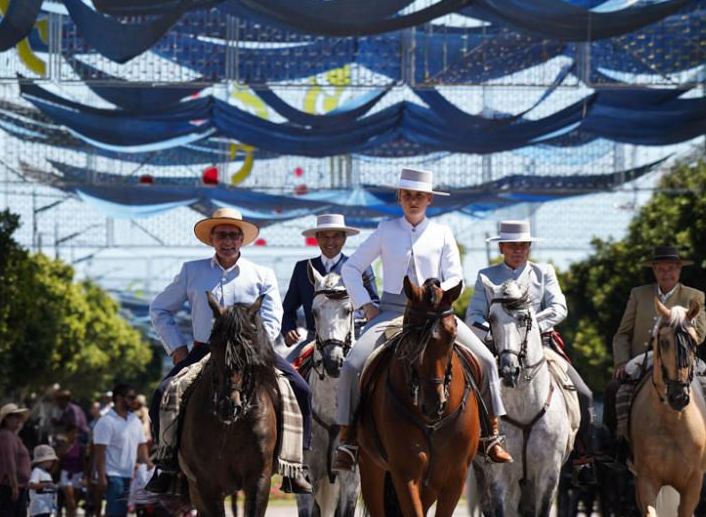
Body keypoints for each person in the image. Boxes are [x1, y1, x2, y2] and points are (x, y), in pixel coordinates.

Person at [332, 168, 513, 471]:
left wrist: (441, 293)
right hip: (392, 312)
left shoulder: (442, 232)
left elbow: (456, 274)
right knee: (351, 365)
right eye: (408, 195)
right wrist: (365, 306)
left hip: (438, 312)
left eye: (419, 196)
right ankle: (348, 441)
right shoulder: (385, 229)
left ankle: (491, 435)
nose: (413, 200)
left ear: (429, 199)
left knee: (487, 360)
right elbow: (351, 268)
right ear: (399, 198)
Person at [146, 208, 313, 494]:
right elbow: (159, 308)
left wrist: (254, 346)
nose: (228, 241)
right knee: (163, 392)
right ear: (211, 239)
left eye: (234, 235)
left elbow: (272, 319)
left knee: (301, 389)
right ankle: (166, 464)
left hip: (254, 354)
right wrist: (176, 347)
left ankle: (295, 466)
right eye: (221, 235)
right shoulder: (192, 271)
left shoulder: (261, 274)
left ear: (242, 240)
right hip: (205, 351)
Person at [465, 220, 600, 486]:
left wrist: (528, 327)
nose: (519, 250)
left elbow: (559, 308)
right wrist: (500, 335)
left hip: (542, 346)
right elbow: (473, 317)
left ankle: (583, 458)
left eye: (524, 245)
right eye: (513, 245)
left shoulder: (544, 272)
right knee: (467, 393)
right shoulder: (486, 276)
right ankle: (473, 449)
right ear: (502, 247)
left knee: (584, 394)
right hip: (501, 349)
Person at [603, 245, 706, 466]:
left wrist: (679, 327)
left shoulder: (694, 296)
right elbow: (622, 333)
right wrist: (622, 361)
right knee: (613, 389)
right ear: (654, 270)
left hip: (682, 356)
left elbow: (700, 334)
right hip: (644, 358)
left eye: (672, 269)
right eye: (662, 269)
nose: (667, 274)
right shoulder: (639, 294)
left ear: (679, 270)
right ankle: (616, 442)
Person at [281, 213, 379, 361]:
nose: (330, 241)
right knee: (286, 373)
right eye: (325, 237)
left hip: (353, 338)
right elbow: (288, 308)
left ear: (344, 238)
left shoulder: (360, 266)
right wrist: (288, 330)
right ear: (317, 238)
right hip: (314, 340)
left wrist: (354, 318)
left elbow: (374, 303)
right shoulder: (303, 268)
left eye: (336, 236)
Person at [84, 384, 150, 517]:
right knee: (118, 515)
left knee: (112, 514)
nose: (133, 400)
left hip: (127, 474)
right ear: (119, 398)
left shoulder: (134, 421)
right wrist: (102, 476)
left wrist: (148, 464)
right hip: (112, 474)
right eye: (130, 397)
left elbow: (142, 446)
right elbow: (99, 452)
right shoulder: (106, 422)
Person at [54, 390, 89, 517]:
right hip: (66, 474)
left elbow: (76, 425)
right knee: (71, 503)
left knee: (72, 505)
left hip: (78, 470)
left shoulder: (73, 411)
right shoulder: (63, 413)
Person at [27, 444, 59, 517]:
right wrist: (46, 485)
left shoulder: (45, 473)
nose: (51, 463)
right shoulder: (37, 471)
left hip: (46, 506)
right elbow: (31, 485)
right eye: (50, 461)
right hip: (39, 506)